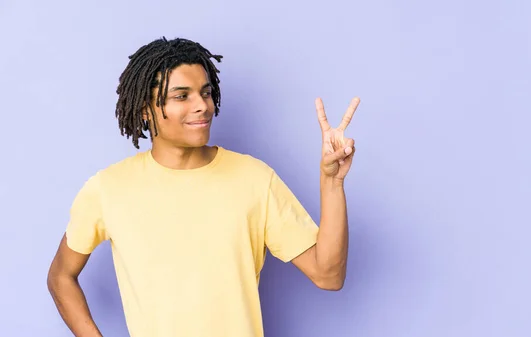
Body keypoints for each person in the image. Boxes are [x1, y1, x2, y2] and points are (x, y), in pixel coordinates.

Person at [46, 37, 359, 337]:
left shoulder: (253, 178)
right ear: (145, 109)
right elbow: (61, 276)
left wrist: (332, 182)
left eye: (205, 93)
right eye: (182, 96)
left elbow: (328, 275)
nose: (203, 106)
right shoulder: (108, 189)